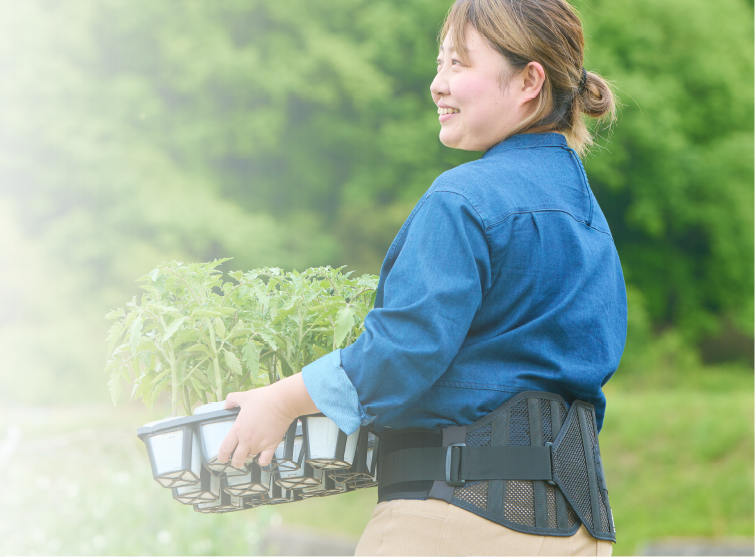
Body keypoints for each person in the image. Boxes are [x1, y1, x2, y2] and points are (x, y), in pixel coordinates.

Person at [214, 0, 623, 555]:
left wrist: (281, 401)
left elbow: (402, 350)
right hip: (579, 532)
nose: (437, 84)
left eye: (459, 64)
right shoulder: (589, 219)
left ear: (529, 80)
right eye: (439, 64)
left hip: (454, 522)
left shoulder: (464, 199)